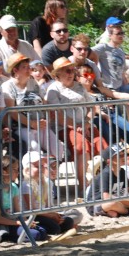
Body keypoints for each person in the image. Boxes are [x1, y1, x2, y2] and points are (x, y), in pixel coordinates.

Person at [44, 57, 108, 185]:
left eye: (72, 71)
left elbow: (91, 106)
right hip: (65, 127)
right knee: (81, 146)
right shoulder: (53, 90)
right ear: (58, 74)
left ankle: (104, 182)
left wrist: (87, 123)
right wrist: (77, 126)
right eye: (67, 71)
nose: (71, 74)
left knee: (101, 144)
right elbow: (58, 115)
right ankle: (84, 185)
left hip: (85, 125)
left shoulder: (79, 86)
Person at [0, 53, 63, 157]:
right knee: (34, 149)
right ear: (15, 70)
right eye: (24, 67)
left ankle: (52, 172)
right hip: (21, 127)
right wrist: (31, 123)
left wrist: (46, 118)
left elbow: (43, 102)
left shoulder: (32, 83)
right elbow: (12, 111)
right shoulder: (7, 86)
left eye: (28, 66)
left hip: (40, 125)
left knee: (57, 149)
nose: (28, 69)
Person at [87, 144, 129, 217]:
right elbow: (106, 198)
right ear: (109, 161)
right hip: (97, 204)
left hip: (116, 200)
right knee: (112, 204)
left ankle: (115, 212)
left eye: (123, 155)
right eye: (119, 156)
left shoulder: (122, 171)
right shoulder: (106, 174)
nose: (123, 157)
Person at [93, 17, 129, 92]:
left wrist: (127, 90)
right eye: (118, 34)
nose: (121, 36)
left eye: (122, 33)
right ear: (110, 35)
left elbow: (122, 74)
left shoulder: (120, 51)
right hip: (109, 88)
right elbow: (88, 52)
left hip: (120, 87)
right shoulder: (103, 47)